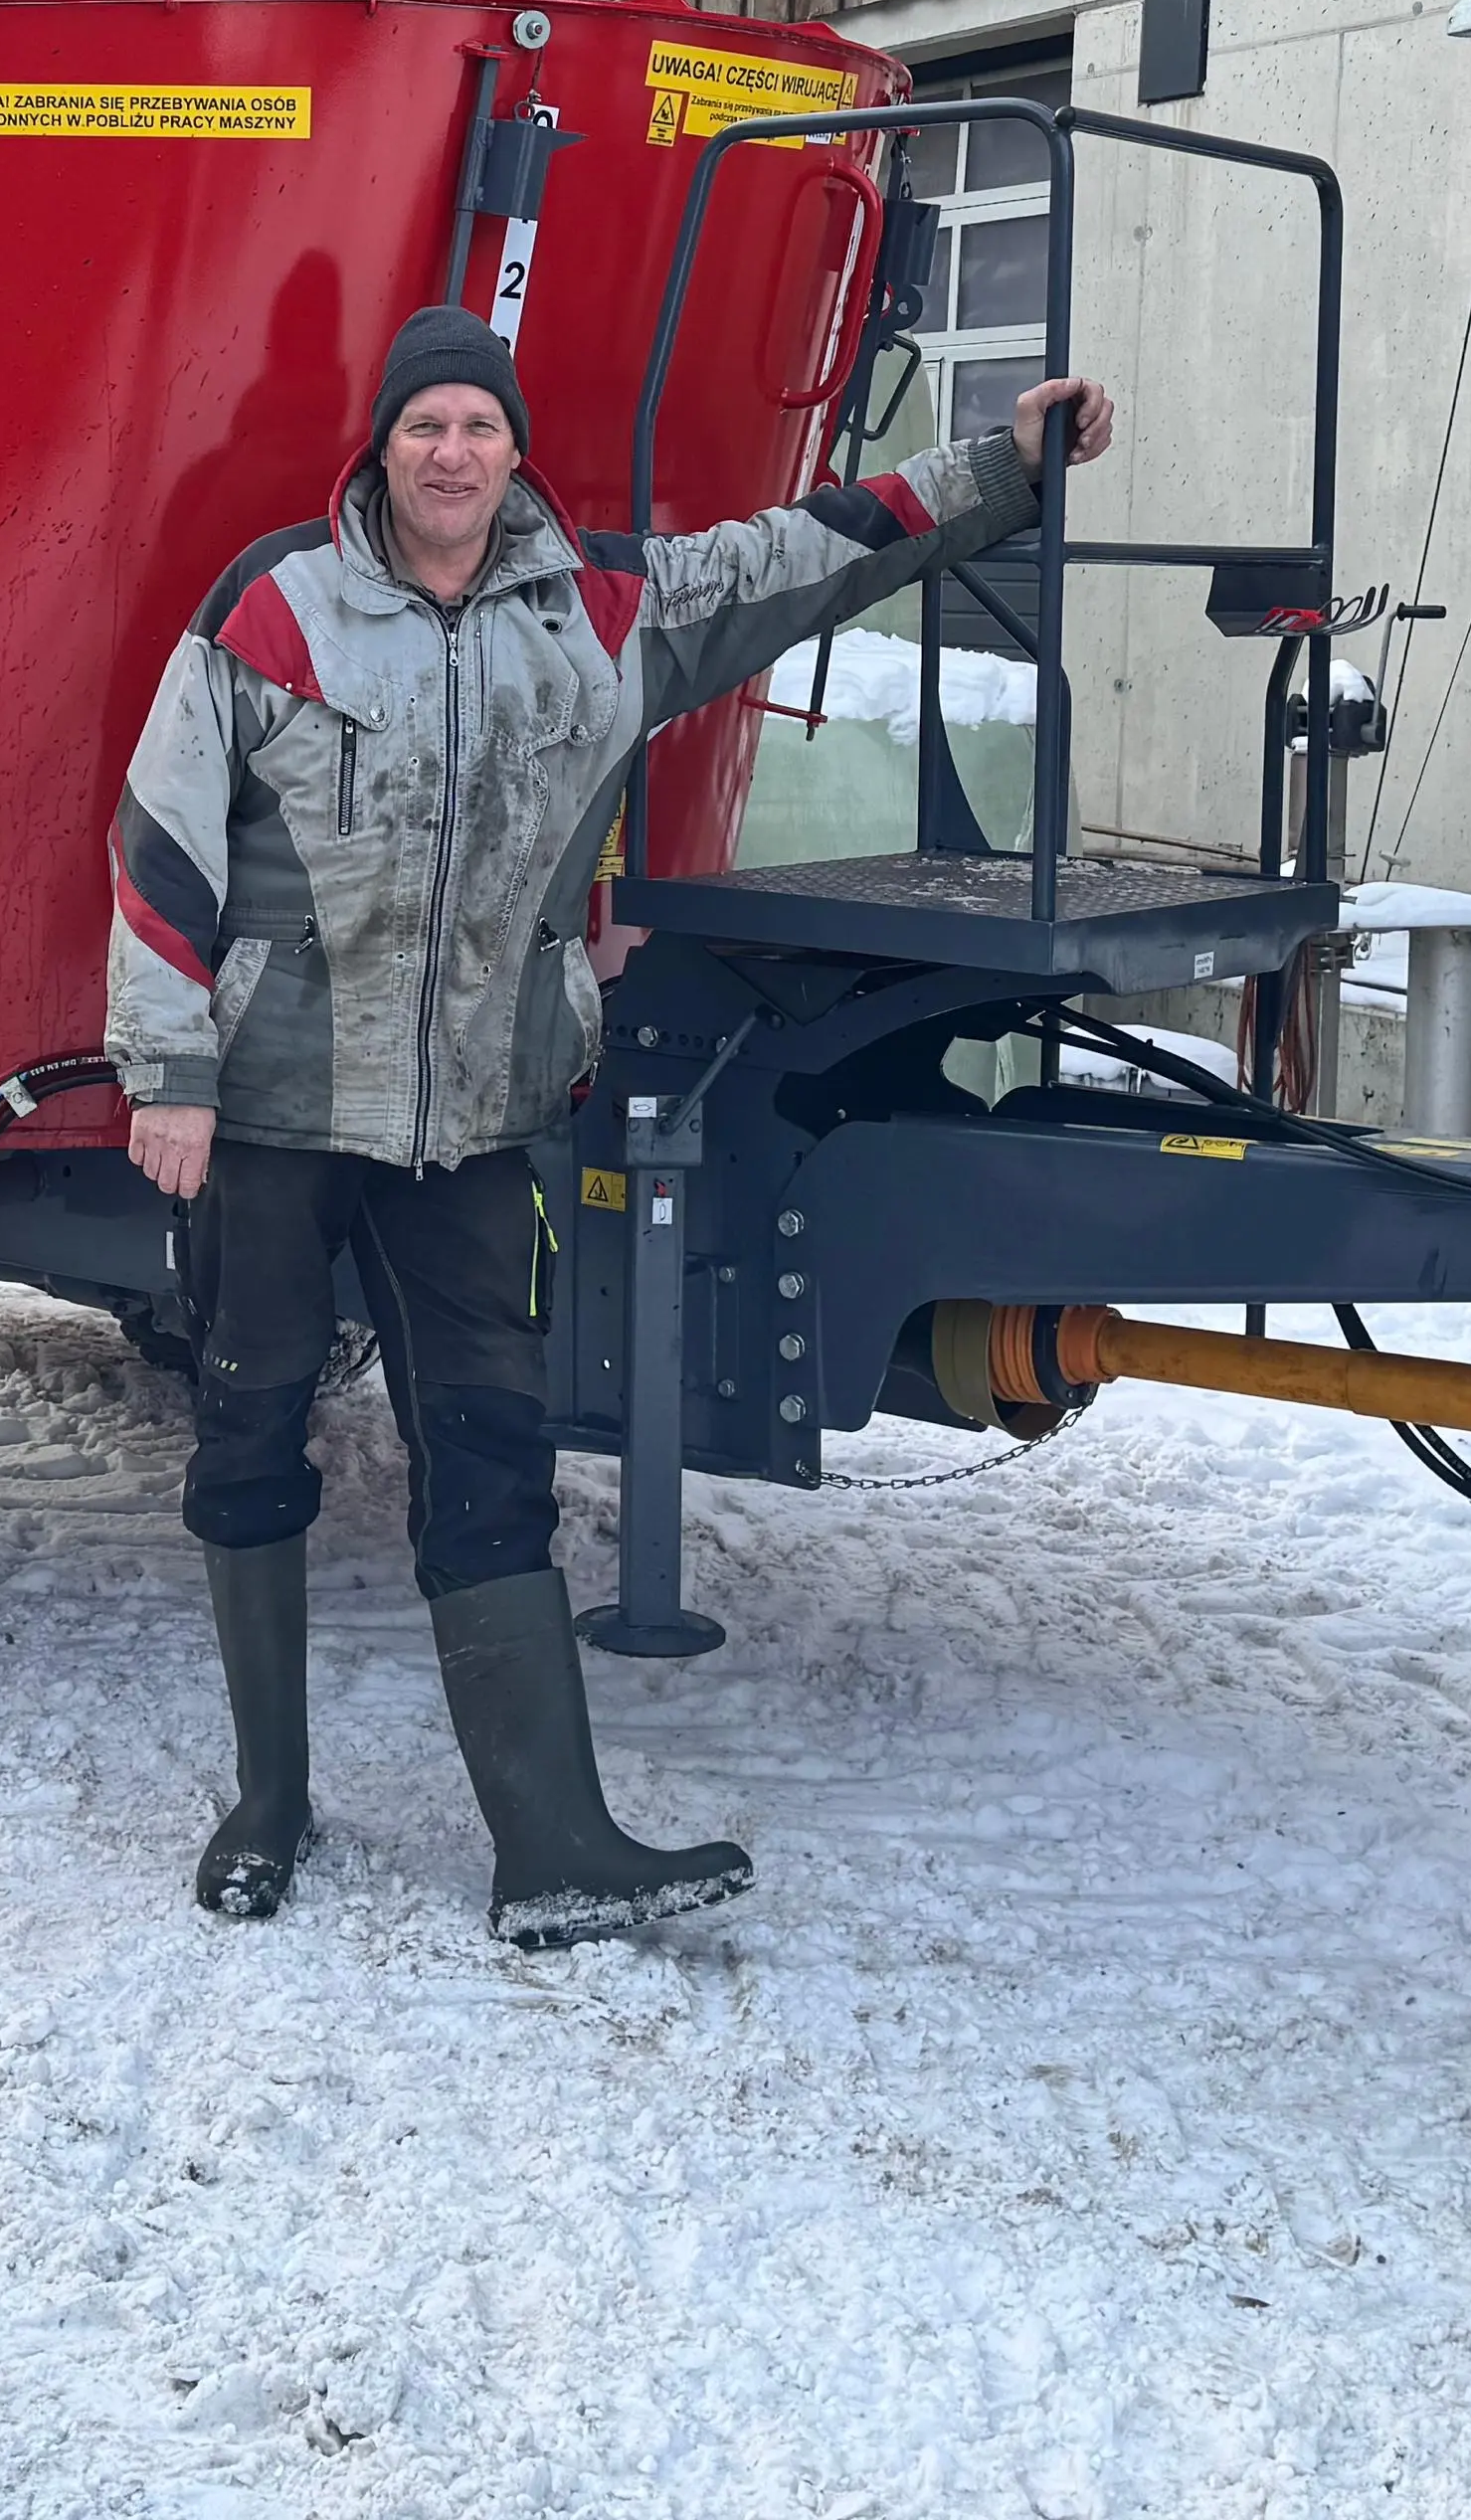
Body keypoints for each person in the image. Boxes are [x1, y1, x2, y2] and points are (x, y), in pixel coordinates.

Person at [105, 303, 1109, 1942]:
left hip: (477, 1125)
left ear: (516, 453)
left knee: (490, 1455)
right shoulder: (274, 608)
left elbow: (817, 549)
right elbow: (161, 846)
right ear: (383, 446)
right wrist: (171, 1081)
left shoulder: (602, 608)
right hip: (278, 1113)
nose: (452, 455)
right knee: (250, 1431)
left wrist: (1002, 468)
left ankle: (551, 1842)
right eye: (426, 427)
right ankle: (269, 1801)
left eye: (480, 430)